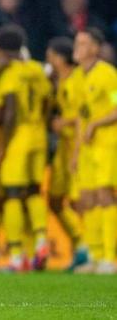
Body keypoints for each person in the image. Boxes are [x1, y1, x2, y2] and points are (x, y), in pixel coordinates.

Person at [0, 24, 52, 271]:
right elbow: (50, 98)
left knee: (13, 195)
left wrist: (4, 146)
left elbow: (9, 113)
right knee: (34, 191)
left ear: (1, 49)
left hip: (18, 137)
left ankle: (17, 256)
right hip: (39, 135)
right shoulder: (37, 69)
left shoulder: (10, 73)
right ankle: (40, 239)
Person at [71, 28, 117, 274]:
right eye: (76, 42)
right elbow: (81, 117)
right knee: (87, 199)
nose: (77, 47)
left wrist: (96, 125)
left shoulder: (108, 75)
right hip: (87, 147)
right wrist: (76, 151)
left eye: (83, 42)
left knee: (105, 196)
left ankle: (111, 257)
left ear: (95, 49)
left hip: (108, 143)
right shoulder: (77, 77)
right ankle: (95, 255)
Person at [45, 37, 85, 269]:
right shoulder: (57, 80)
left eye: (51, 56)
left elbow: (99, 108)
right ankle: (81, 243)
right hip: (64, 146)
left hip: (82, 145)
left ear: (60, 57)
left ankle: (92, 248)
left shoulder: (82, 79)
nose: (49, 60)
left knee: (83, 201)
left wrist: (65, 122)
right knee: (55, 200)